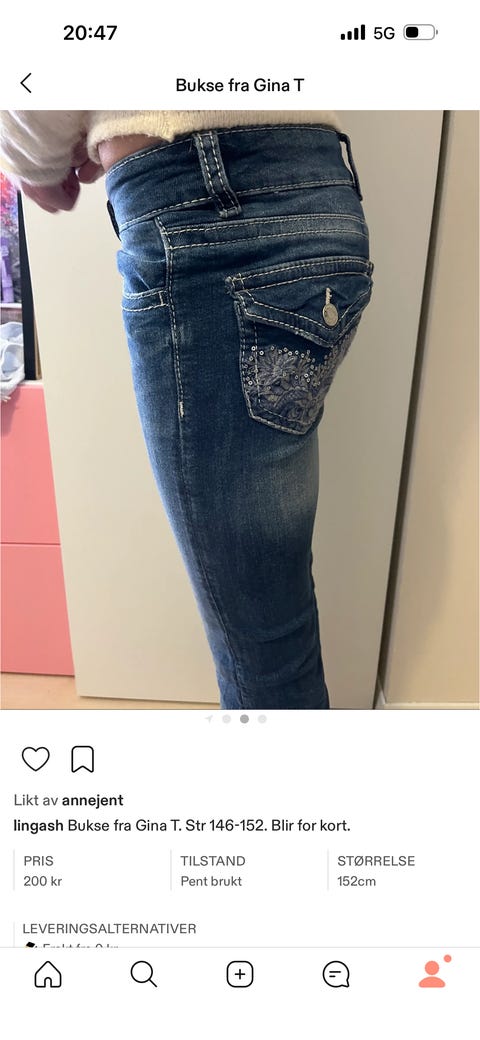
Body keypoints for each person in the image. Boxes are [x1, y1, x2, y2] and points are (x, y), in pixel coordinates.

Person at [0, 111, 374, 710]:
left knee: (263, 645)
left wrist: (33, 162)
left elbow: (36, 108)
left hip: (208, 215)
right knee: (270, 601)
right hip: (323, 196)